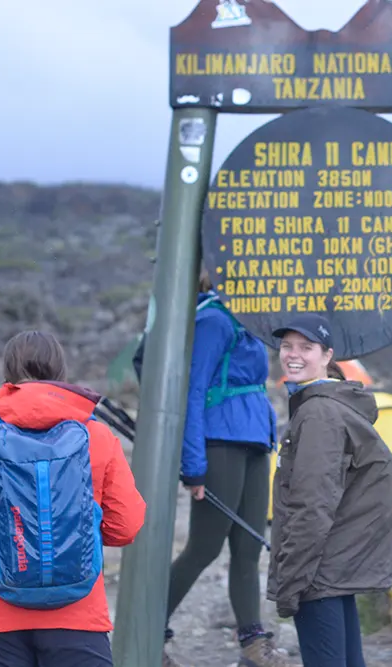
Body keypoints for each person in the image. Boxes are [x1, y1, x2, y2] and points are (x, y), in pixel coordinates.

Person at [0, 330, 146, 666]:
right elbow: (126, 527)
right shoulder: (97, 437)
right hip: (78, 619)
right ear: (60, 373)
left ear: (8, 373)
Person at [162, 269, 285, 667]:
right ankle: (147, 628)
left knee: (249, 549)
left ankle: (253, 646)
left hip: (253, 442)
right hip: (220, 444)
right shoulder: (213, 320)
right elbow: (194, 390)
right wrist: (193, 465)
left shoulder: (247, 320)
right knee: (204, 548)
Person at [267, 314, 392, 667]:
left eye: (306, 347)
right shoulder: (327, 404)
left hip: (318, 570)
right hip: (334, 567)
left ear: (327, 355)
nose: (293, 355)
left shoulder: (318, 414)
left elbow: (312, 506)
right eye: (287, 346)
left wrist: (291, 582)